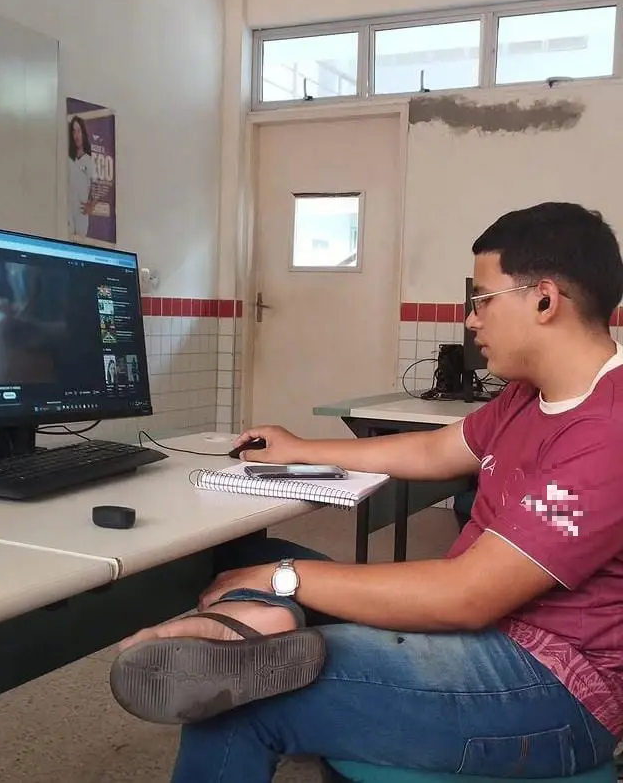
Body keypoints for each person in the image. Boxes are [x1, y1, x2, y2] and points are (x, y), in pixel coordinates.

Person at [110, 202, 623, 783]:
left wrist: (285, 579)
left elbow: (465, 596)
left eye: (482, 299)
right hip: (488, 632)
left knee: (238, 699)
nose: (471, 319)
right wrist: (301, 448)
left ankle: (262, 620)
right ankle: (260, 620)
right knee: (248, 555)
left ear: (545, 300)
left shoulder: (608, 431)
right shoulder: (530, 394)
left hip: (553, 689)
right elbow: (434, 450)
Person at [68, 115, 96, 237]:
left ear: (83, 133)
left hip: (81, 213)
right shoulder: (69, 159)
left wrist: (92, 205)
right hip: (68, 211)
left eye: (78, 131)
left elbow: (96, 185)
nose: (76, 135)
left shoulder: (89, 160)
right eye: (74, 131)